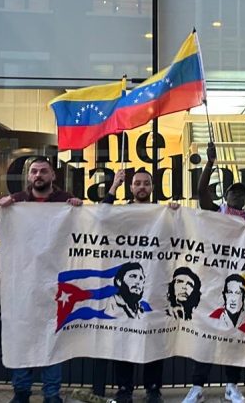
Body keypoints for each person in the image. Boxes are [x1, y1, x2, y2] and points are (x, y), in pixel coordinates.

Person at [0, 156, 82, 403]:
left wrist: (79, 211)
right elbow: (1, 235)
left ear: (53, 175)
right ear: (28, 176)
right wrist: (3, 212)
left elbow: (82, 235)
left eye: (43, 171)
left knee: (53, 339)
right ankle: (21, 391)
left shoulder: (65, 200)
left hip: (57, 284)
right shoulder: (18, 202)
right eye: (34, 171)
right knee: (23, 336)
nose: (38, 175)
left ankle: (51, 393)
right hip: (24, 284)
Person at [103, 168, 178, 403]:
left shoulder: (162, 213)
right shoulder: (122, 211)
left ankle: (153, 388)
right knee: (123, 337)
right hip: (128, 285)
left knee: (153, 337)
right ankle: (124, 388)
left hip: (154, 284)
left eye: (146, 183)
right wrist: (114, 185)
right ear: (131, 187)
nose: (142, 187)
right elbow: (102, 215)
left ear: (152, 187)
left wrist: (176, 213)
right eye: (137, 183)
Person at [184, 142, 245, 403]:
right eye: (233, 192)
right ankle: (197, 386)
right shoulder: (216, 211)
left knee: (233, 336)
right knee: (207, 335)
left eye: (242, 193)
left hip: (236, 284)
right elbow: (200, 192)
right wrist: (209, 163)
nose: (237, 196)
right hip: (211, 282)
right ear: (226, 196)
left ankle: (232, 385)